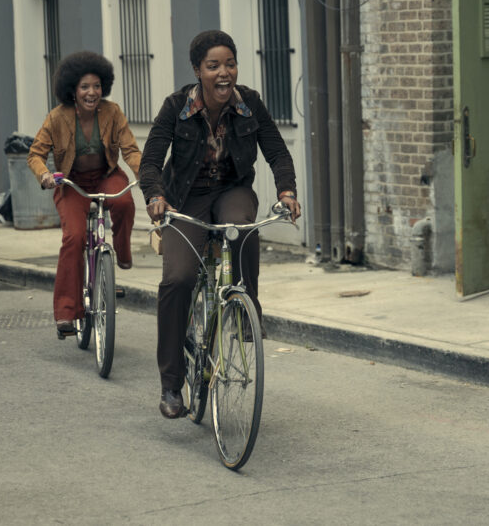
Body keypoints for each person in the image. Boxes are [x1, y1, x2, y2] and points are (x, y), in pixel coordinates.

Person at [139, 30, 301, 419]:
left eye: (230, 63)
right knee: (178, 279)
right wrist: (155, 195)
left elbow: (277, 151)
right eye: (213, 66)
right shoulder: (176, 107)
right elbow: (150, 160)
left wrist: (287, 192)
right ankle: (171, 384)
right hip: (186, 199)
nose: (224, 72)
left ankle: (246, 313)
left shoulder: (251, 104)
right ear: (198, 70)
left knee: (243, 229)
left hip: (232, 190)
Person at [28, 51, 142, 338]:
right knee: (74, 238)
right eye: (84, 87)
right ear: (72, 90)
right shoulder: (57, 118)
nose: (92, 92)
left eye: (96, 86)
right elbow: (35, 154)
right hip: (71, 183)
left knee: (125, 201)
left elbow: (129, 149)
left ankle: (122, 252)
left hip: (106, 176)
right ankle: (67, 312)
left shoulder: (112, 112)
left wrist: (145, 173)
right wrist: (44, 175)